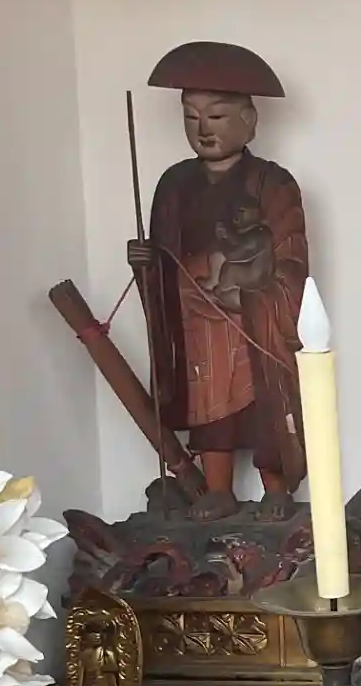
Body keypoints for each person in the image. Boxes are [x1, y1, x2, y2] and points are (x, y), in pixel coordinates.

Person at [129, 43, 307, 523]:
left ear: (250, 122)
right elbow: (164, 256)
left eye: (217, 116)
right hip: (195, 319)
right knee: (206, 403)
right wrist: (147, 265)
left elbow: (292, 258)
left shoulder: (273, 183)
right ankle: (218, 489)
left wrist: (253, 289)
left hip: (252, 316)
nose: (203, 129)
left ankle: (275, 489)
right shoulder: (174, 184)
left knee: (266, 402)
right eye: (191, 117)